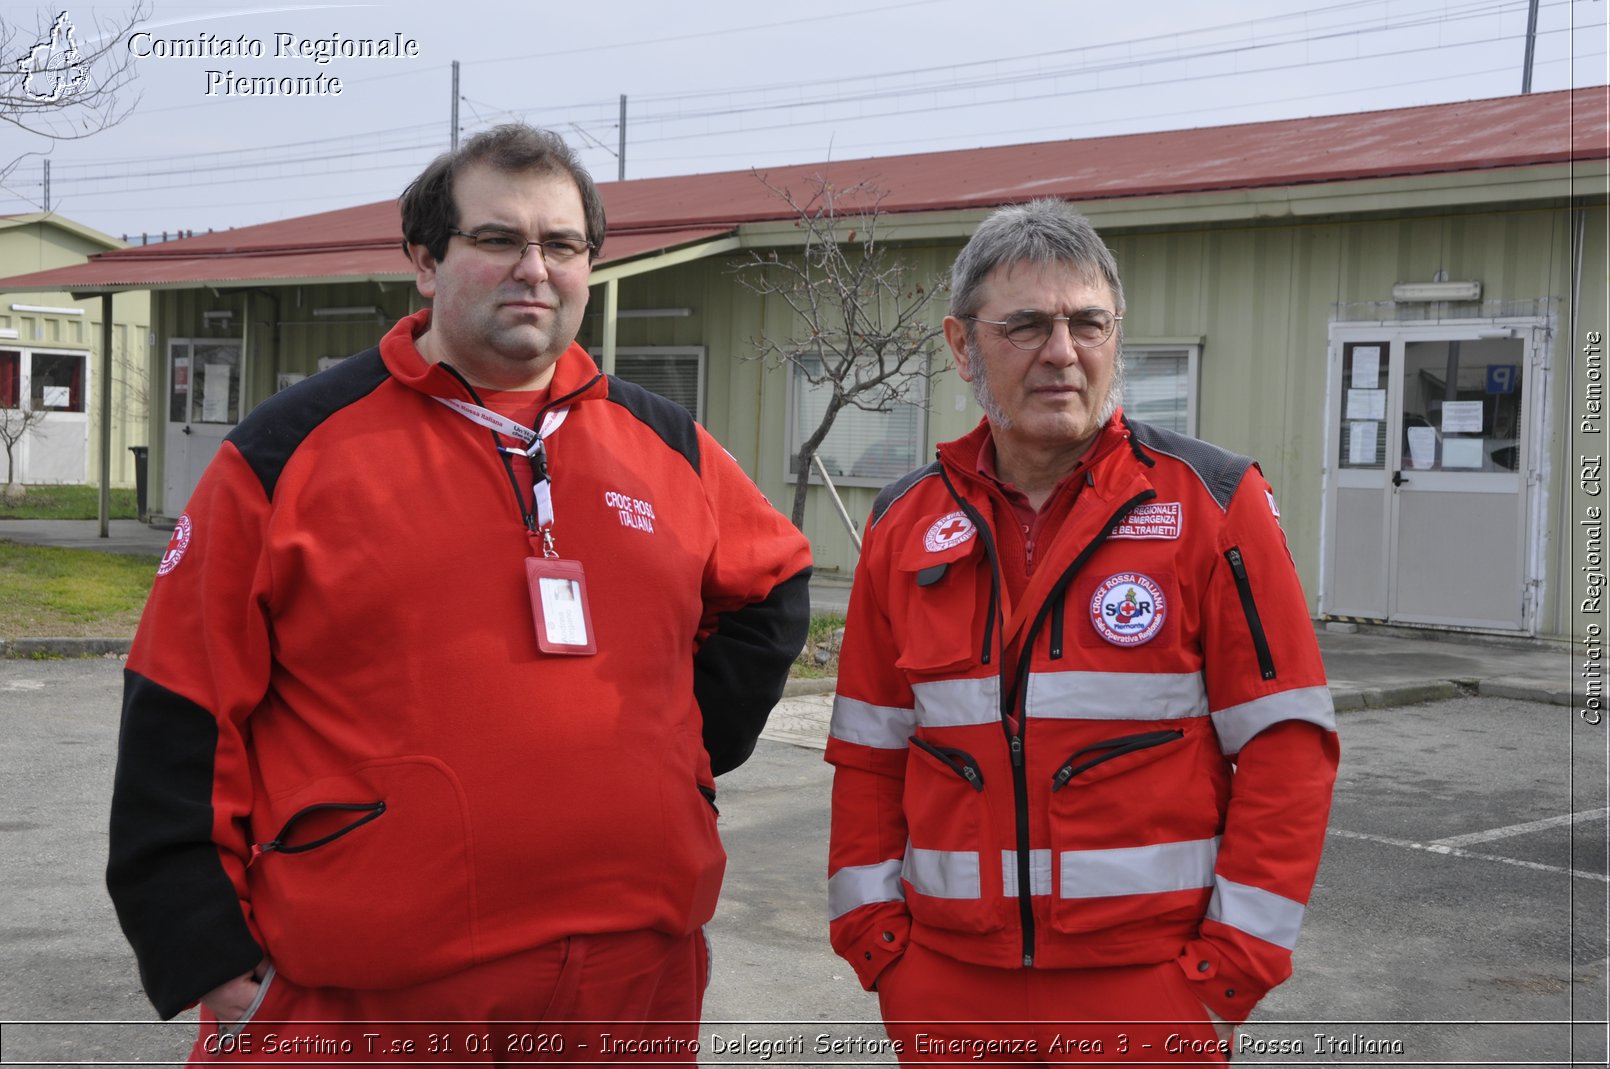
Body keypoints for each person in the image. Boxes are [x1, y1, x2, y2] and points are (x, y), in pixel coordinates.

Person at [107, 124, 812, 1064]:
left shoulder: (665, 443)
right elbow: (179, 698)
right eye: (497, 240)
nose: (534, 268)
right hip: (366, 993)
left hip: (626, 985)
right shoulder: (290, 452)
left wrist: (684, 753)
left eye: (562, 245)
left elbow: (776, 579)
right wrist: (201, 946)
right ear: (426, 263)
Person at [825, 199, 1338, 1065]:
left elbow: (1289, 745)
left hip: (1147, 990)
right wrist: (880, 944)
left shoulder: (1212, 503)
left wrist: (1227, 976)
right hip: (948, 990)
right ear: (961, 345)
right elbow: (870, 750)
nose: (1063, 352)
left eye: (1087, 323)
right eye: (1026, 324)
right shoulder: (904, 522)